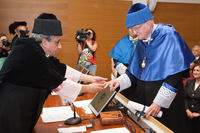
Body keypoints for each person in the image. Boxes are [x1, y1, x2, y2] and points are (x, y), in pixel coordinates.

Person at [0, 13, 106, 133]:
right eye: (57, 42)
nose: (60, 46)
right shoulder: (30, 53)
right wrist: (89, 88)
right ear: (44, 42)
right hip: (13, 113)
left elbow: (61, 69)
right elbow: (59, 84)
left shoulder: (35, 48)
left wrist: (92, 78)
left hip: (22, 109)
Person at [104, 3, 195, 133]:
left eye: (136, 28)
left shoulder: (169, 36)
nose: (134, 33)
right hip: (145, 103)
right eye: (131, 29)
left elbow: (174, 77)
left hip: (165, 107)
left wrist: (158, 103)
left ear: (148, 23)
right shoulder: (142, 40)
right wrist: (119, 81)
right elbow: (134, 73)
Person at [109, 29, 138, 101]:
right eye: (130, 28)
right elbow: (115, 59)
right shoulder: (122, 42)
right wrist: (125, 72)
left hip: (139, 74)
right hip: (123, 72)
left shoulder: (144, 41)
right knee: (124, 97)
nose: (132, 30)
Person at [185, 63, 200, 133]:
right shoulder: (189, 82)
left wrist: (199, 113)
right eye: (194, 70)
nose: (195, 72)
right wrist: (187, 110)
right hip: (188, 115)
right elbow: (185, 98)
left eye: (198, 70)